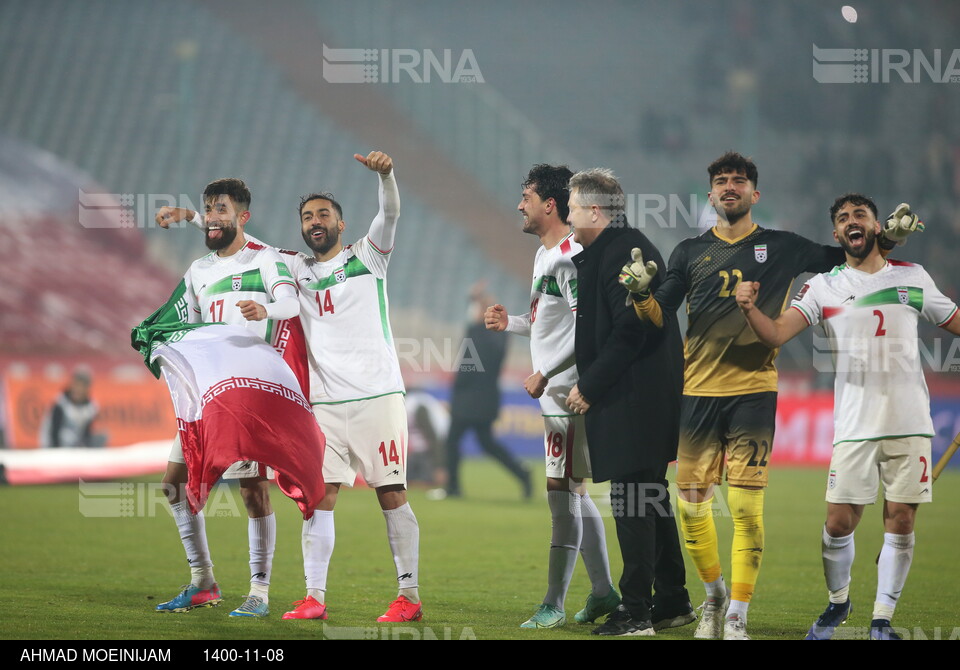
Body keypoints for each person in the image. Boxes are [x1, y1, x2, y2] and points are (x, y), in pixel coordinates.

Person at [619, 152, 920, 639]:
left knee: (745, 509)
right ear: (712, 195)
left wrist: (889, 238)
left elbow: (847, 253)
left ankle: (737, 612)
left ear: (755, 194)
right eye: (721, 182)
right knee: (691, 505)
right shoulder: (688, 252)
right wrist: (639, 295)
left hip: (754, 392)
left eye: (739, 181)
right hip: (697, 391)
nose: (730, 187)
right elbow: (659, 316)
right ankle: (713, 596)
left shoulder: (782, 246)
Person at [736, 193, 954, 640]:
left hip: (910, 420)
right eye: (842, 218)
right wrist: (750, 308)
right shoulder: (823, 286)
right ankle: (839, 603)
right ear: (836, 235)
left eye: (860, 215)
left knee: (902, 519)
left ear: (877, 228)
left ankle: (881, 621)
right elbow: (776, 334)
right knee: (839, 522)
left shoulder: (914, 277)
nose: (851, 222)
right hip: (855, 423)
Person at [278, 152, 423, 623]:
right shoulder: (297, 271)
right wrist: (200, 218)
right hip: (323, 405)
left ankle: (409, 597)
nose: (315, 221)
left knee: (391, 493)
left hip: (377, 397)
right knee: (319, 497)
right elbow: (243, 245)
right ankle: (314, 597)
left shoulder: (367, 257)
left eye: (323, 214)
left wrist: (386, 174)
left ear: (341, 224)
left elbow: (392, 213)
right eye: (307, 216)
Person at [152, 178, 300, 618]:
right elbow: (187, 328)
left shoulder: (265, 259)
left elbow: (290, 303)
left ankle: (260, 591)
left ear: (243, 216)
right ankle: (203, 582)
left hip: (246, 393)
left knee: (252, 491)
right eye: (208, 210)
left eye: (222, 209)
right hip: (204, 394)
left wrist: (265, 311)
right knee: (174, 485)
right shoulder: (198, 270)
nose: (213, 217)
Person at [484, 164, 621, 629]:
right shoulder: (547, 256)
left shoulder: (568, 256)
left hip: (569, 391)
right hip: (558, 389)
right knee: (573, 491)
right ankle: (603, 591)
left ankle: (554, 603)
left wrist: (546, 371)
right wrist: (514, 324)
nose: (519, 205)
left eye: (526, 197)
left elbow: (587, 327)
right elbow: (552, 321)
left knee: (560, 491)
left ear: (549, 204)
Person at [565, 167, 691, 636]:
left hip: (633, 398)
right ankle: (673, 601)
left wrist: (590, 385)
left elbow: (632, 329)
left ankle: (636, 611)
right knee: (650, 500)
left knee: (633, 501)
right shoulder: (615, 248)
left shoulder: (623, 252)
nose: (569, 215)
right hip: (642, 395)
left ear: (596, 210)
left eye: (574, 207)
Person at [443, 282, 531, 500]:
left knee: (453, 441)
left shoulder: (478, 333)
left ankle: (452, 488)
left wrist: (455, 391)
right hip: (487, 399)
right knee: (487, 443)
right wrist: (474, 298)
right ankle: (522, 473)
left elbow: (467, 369)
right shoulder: (500, 335)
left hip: (468, 400)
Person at [41, 369, 106, 448]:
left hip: (76, 449)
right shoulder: (60, 404)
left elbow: (86, 433)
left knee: (101, 437)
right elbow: (53, 432)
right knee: (67, 435)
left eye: (82, 386)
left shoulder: (90, 408)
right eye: (76, 385)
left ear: (87, 389)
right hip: (56, 447)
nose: (78, 389)